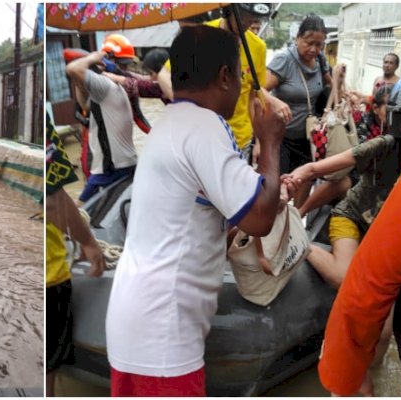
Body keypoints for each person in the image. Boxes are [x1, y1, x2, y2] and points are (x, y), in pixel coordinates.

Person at [105, 25, 290, 397]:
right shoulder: (203, 127)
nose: (241, 84)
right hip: (163, 336)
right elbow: (259, 220)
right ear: (225, 76)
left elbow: (202, 223)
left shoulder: (172, 122)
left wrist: (264, 190)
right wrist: (269, 143)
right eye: (239, 74)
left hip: (137, 325)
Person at [284, 91, 401, 392]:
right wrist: (297, 177)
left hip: (392, 239)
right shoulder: (383, 146)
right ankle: (302, 244)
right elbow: (322, 167)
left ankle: (371, 375)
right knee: (344, 277)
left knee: (386, 329)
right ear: (397, 124)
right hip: (354, 219)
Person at [156, 4, 293, 164]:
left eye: (253, 19)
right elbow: (164, 75)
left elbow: (252, 96)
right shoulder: (202, 35)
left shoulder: (257, 47)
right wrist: (191, 110)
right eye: (242, 16)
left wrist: (259, 141)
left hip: (240, 140)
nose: (247, 23)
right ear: (228, 10)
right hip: (202, 137)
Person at [45, 112, 106, 396]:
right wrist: (89, 243)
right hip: (49, 278)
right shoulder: (43, 130)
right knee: (48, 371)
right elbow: (54, 202)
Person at [265, 14, 332, 207]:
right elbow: (258, 90)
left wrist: (345, 87)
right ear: (298, 38)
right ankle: (273, 229)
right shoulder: (284, 60)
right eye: (309, 43)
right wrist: (275, 102)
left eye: (319, 45)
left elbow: (331, 84)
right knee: (280, 188)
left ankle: (295, 220)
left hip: (310, 138)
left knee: (304, 181)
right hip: (282, 139)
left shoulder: (320, 60)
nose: (314, 49)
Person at [297, 84, 391, 218]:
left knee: (341, 182)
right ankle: (297, 212)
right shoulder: (361, 120)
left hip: (370, 180)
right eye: (388, 108)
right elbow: (356, 155)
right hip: (352, 169)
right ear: (375, 108)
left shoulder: (398, 131)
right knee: (311, 172)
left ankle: (301, 211)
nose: (392, 112)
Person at [66, 37, 137, 206]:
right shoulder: (118, 87)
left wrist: (93, 57)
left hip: (111, 168)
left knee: (79, 212)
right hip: (125, 163)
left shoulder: (105, 86)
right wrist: (80, 82)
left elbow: (72, 68)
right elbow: (86, 105)